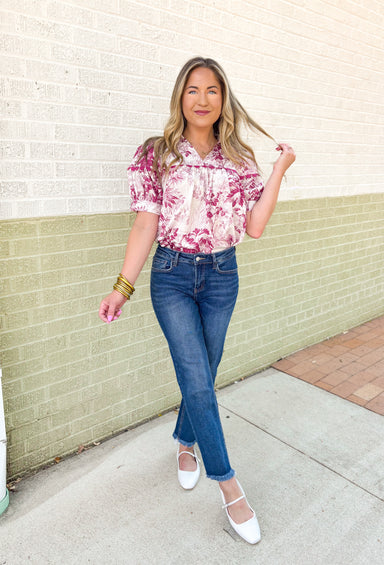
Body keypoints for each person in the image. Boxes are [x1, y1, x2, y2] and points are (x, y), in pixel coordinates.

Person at [99, 56, 295, 544]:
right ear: (179, 98)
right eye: (192, 90)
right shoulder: (156, 154)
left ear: (223, 98)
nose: (202, 99)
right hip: (171, 276)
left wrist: (279, 169)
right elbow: (145, 224)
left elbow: (254, 226)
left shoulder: (240, 159)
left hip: (223, 274)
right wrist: (122, 287)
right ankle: (229, 486)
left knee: (203, 372)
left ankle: (185, 441)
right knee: (198, 378)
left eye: (211, 90)